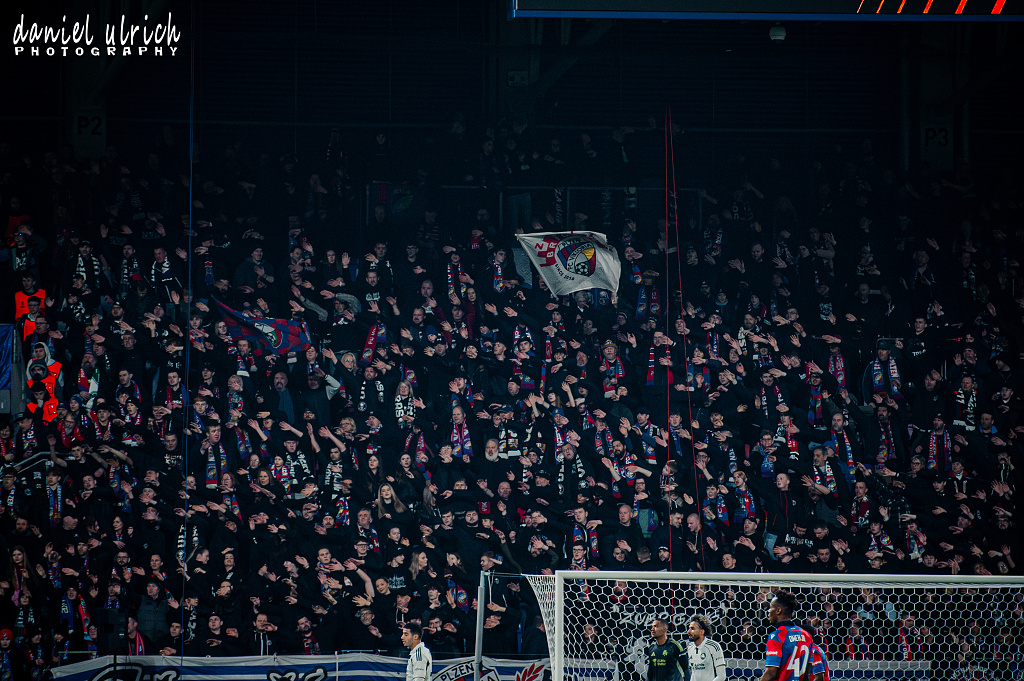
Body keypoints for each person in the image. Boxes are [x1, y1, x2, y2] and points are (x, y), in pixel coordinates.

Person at [760, 591, 814, 681]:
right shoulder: (806, 635)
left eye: (771, 607)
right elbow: (807, 672)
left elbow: (771, 673)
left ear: (778, 610)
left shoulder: (776, 636)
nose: (768, 611)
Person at [686, 615, 726, 681]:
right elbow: (694, 673)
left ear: (701, 632)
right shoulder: (690, 647)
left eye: (692, 629)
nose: (688, 631)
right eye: (689, 628)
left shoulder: (713, 646)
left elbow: (721, 676)